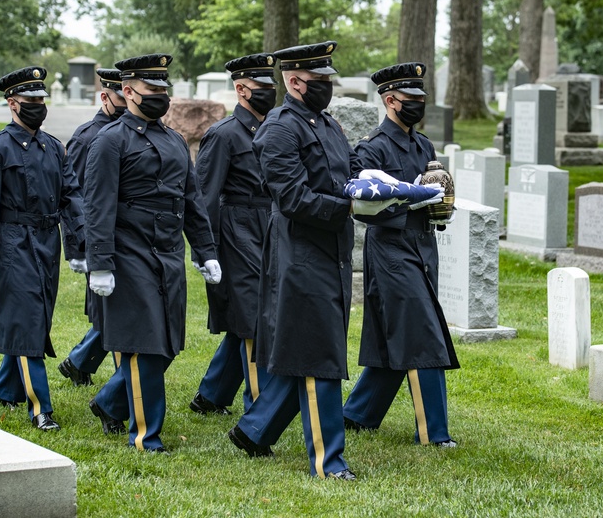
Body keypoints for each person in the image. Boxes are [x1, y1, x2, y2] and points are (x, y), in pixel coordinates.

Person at [227, 40, 395, 480]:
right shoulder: (280, 129)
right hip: (300, 252)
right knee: (321, 357)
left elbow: (347, 171)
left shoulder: (326, 123)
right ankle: (328, 461)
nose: (327, 88)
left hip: (333, 250)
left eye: (328, 81)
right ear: (295, 81)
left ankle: (254, 431)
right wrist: (352, 207)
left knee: (311, 345)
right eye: (320, 81)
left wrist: (381, 184)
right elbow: (293, 197)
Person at [83, 53, 221, 452]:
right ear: (127, 92)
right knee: (145, 344)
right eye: (151, 90)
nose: (160, 96)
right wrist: (101, 264)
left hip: (168, 254)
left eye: (164, 89)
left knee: (167, 342)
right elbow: (99, 206)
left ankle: (110, 402)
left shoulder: (175, 140)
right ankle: (146, 435)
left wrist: (206, 251)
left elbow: (191, 199)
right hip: (129, 252)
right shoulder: (110, 141)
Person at [343, 62, 459, 447]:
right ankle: (434, 434)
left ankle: (358, 414)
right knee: (422, 335)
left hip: (424, 246)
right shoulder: (371, 147)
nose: (418, 105)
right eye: (411, 100)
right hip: (391, 248)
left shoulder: (423, 144)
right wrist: (409, 202)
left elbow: (434, 188)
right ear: (390, 100)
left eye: (422, 99)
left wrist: (441, 206)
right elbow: (361, 204)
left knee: (392, 332)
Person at [0, 66, 86, 432]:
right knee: (27, 320)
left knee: (32, 318)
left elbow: (71, 196)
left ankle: (5, 392)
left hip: (46, 244)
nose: (37, 106)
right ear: (12, 103)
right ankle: (40, 408)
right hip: (11, 243)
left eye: (40, 100)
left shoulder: (54, 147)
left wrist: (79, 244)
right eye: (30, 101)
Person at [189, 53, 277, 417]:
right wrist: (204, 249)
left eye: (273, 87)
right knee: (253, 317)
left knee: (249, 317)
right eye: (262, 88)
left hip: (268, 226)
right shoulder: (223, 134)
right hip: (236, 229)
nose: (270, 93)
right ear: (241, 89)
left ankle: (210, 396)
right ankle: (259, 408)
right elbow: (204, 196)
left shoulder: (274, 127)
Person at [58, 68, 128, 400]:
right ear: (105, 97)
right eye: (119, 96)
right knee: (112, 311)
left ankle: (79, 361)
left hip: (129, 236)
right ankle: (122, 387)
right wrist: (79, 247)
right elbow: (74, 198)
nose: (126, 102)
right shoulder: (88, 138)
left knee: (119, 307)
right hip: (100, 239)